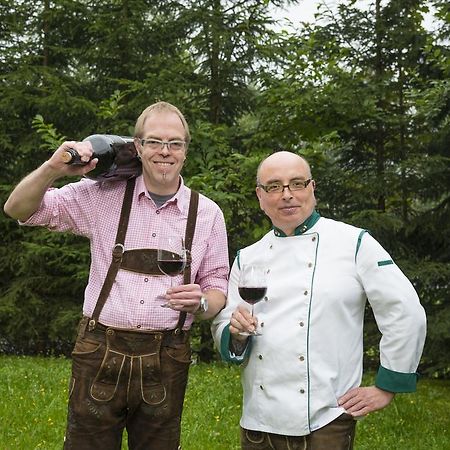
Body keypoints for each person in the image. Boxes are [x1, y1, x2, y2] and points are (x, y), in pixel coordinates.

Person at [4, 101, 229, 450]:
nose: (164, 152)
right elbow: (18, 209)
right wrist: (52, 169)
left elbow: (217, 286)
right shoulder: (101, 196)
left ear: (186, 150)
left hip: (167, 356)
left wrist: (200, 302)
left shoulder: (207, 213)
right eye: (154, 142)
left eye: (175, 143)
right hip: (99, 349)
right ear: (136, 147)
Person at [211, 151, 426, 450]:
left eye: (296, 183)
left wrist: (387, 386)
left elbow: (404, 311)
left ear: (312, 188)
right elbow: (226, 319)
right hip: (258, 420)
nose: (287, 195)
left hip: (326, 419)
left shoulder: (354, 243)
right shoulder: (248, 257)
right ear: (260, 196)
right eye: (274, 186)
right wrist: (234, 333)